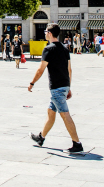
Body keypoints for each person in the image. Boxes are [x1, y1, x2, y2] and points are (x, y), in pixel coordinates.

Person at [29, 23, 83, 154]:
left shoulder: (48, 49)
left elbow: (40, 69)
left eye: (46, 31)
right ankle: (41, 137)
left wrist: (32, 83)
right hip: (64, 85)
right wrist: (68, 87)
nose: (45, 34)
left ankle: (77, 144)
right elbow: (69, 69)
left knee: (65, 115)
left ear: (50, 33)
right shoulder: (64, 49)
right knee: (50, 113)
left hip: (57, 88)